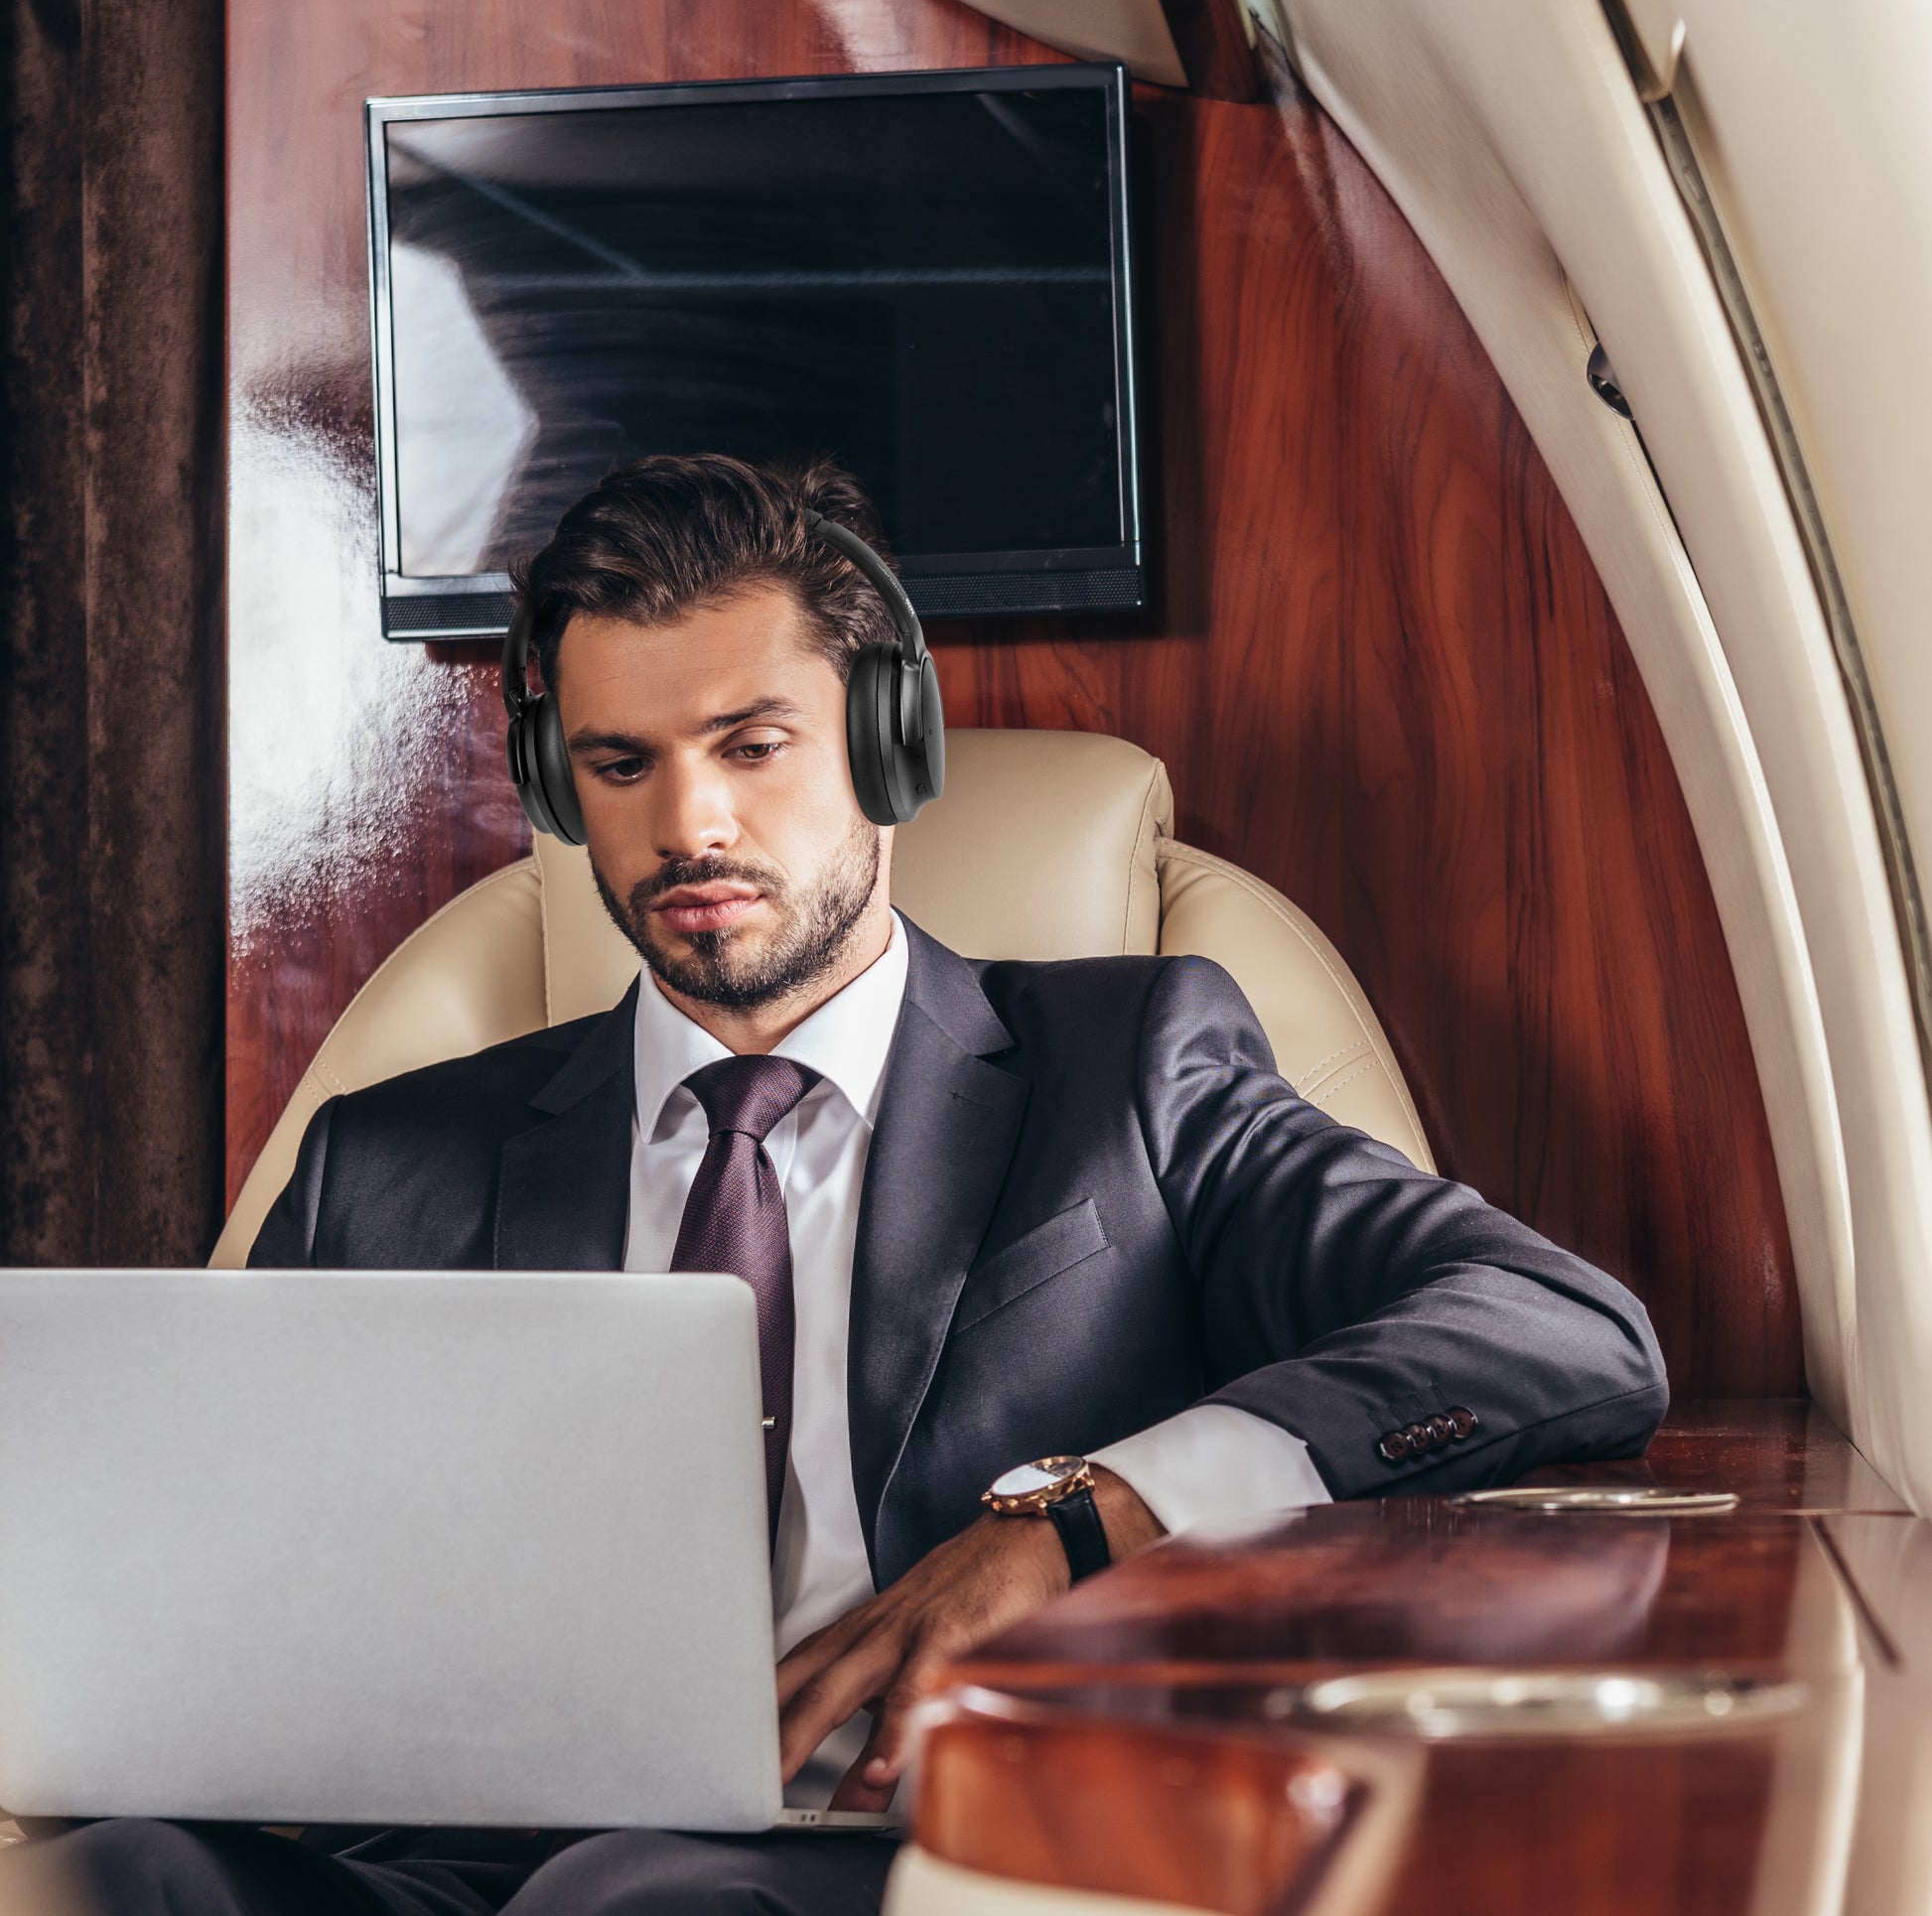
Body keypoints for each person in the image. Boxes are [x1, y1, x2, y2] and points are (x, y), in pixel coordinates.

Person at [3, 454, 1668, 1916]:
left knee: (637, 1895)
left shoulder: (1131, 1065)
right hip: (454, 1853)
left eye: (750, 742)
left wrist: (1081, 1509)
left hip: (894, 1838)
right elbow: (217, 1572)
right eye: (621, 762)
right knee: (112, 1875)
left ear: (886, 743)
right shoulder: (390, 1156)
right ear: (555, 787)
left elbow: (1553, 1324)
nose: (690, 822)